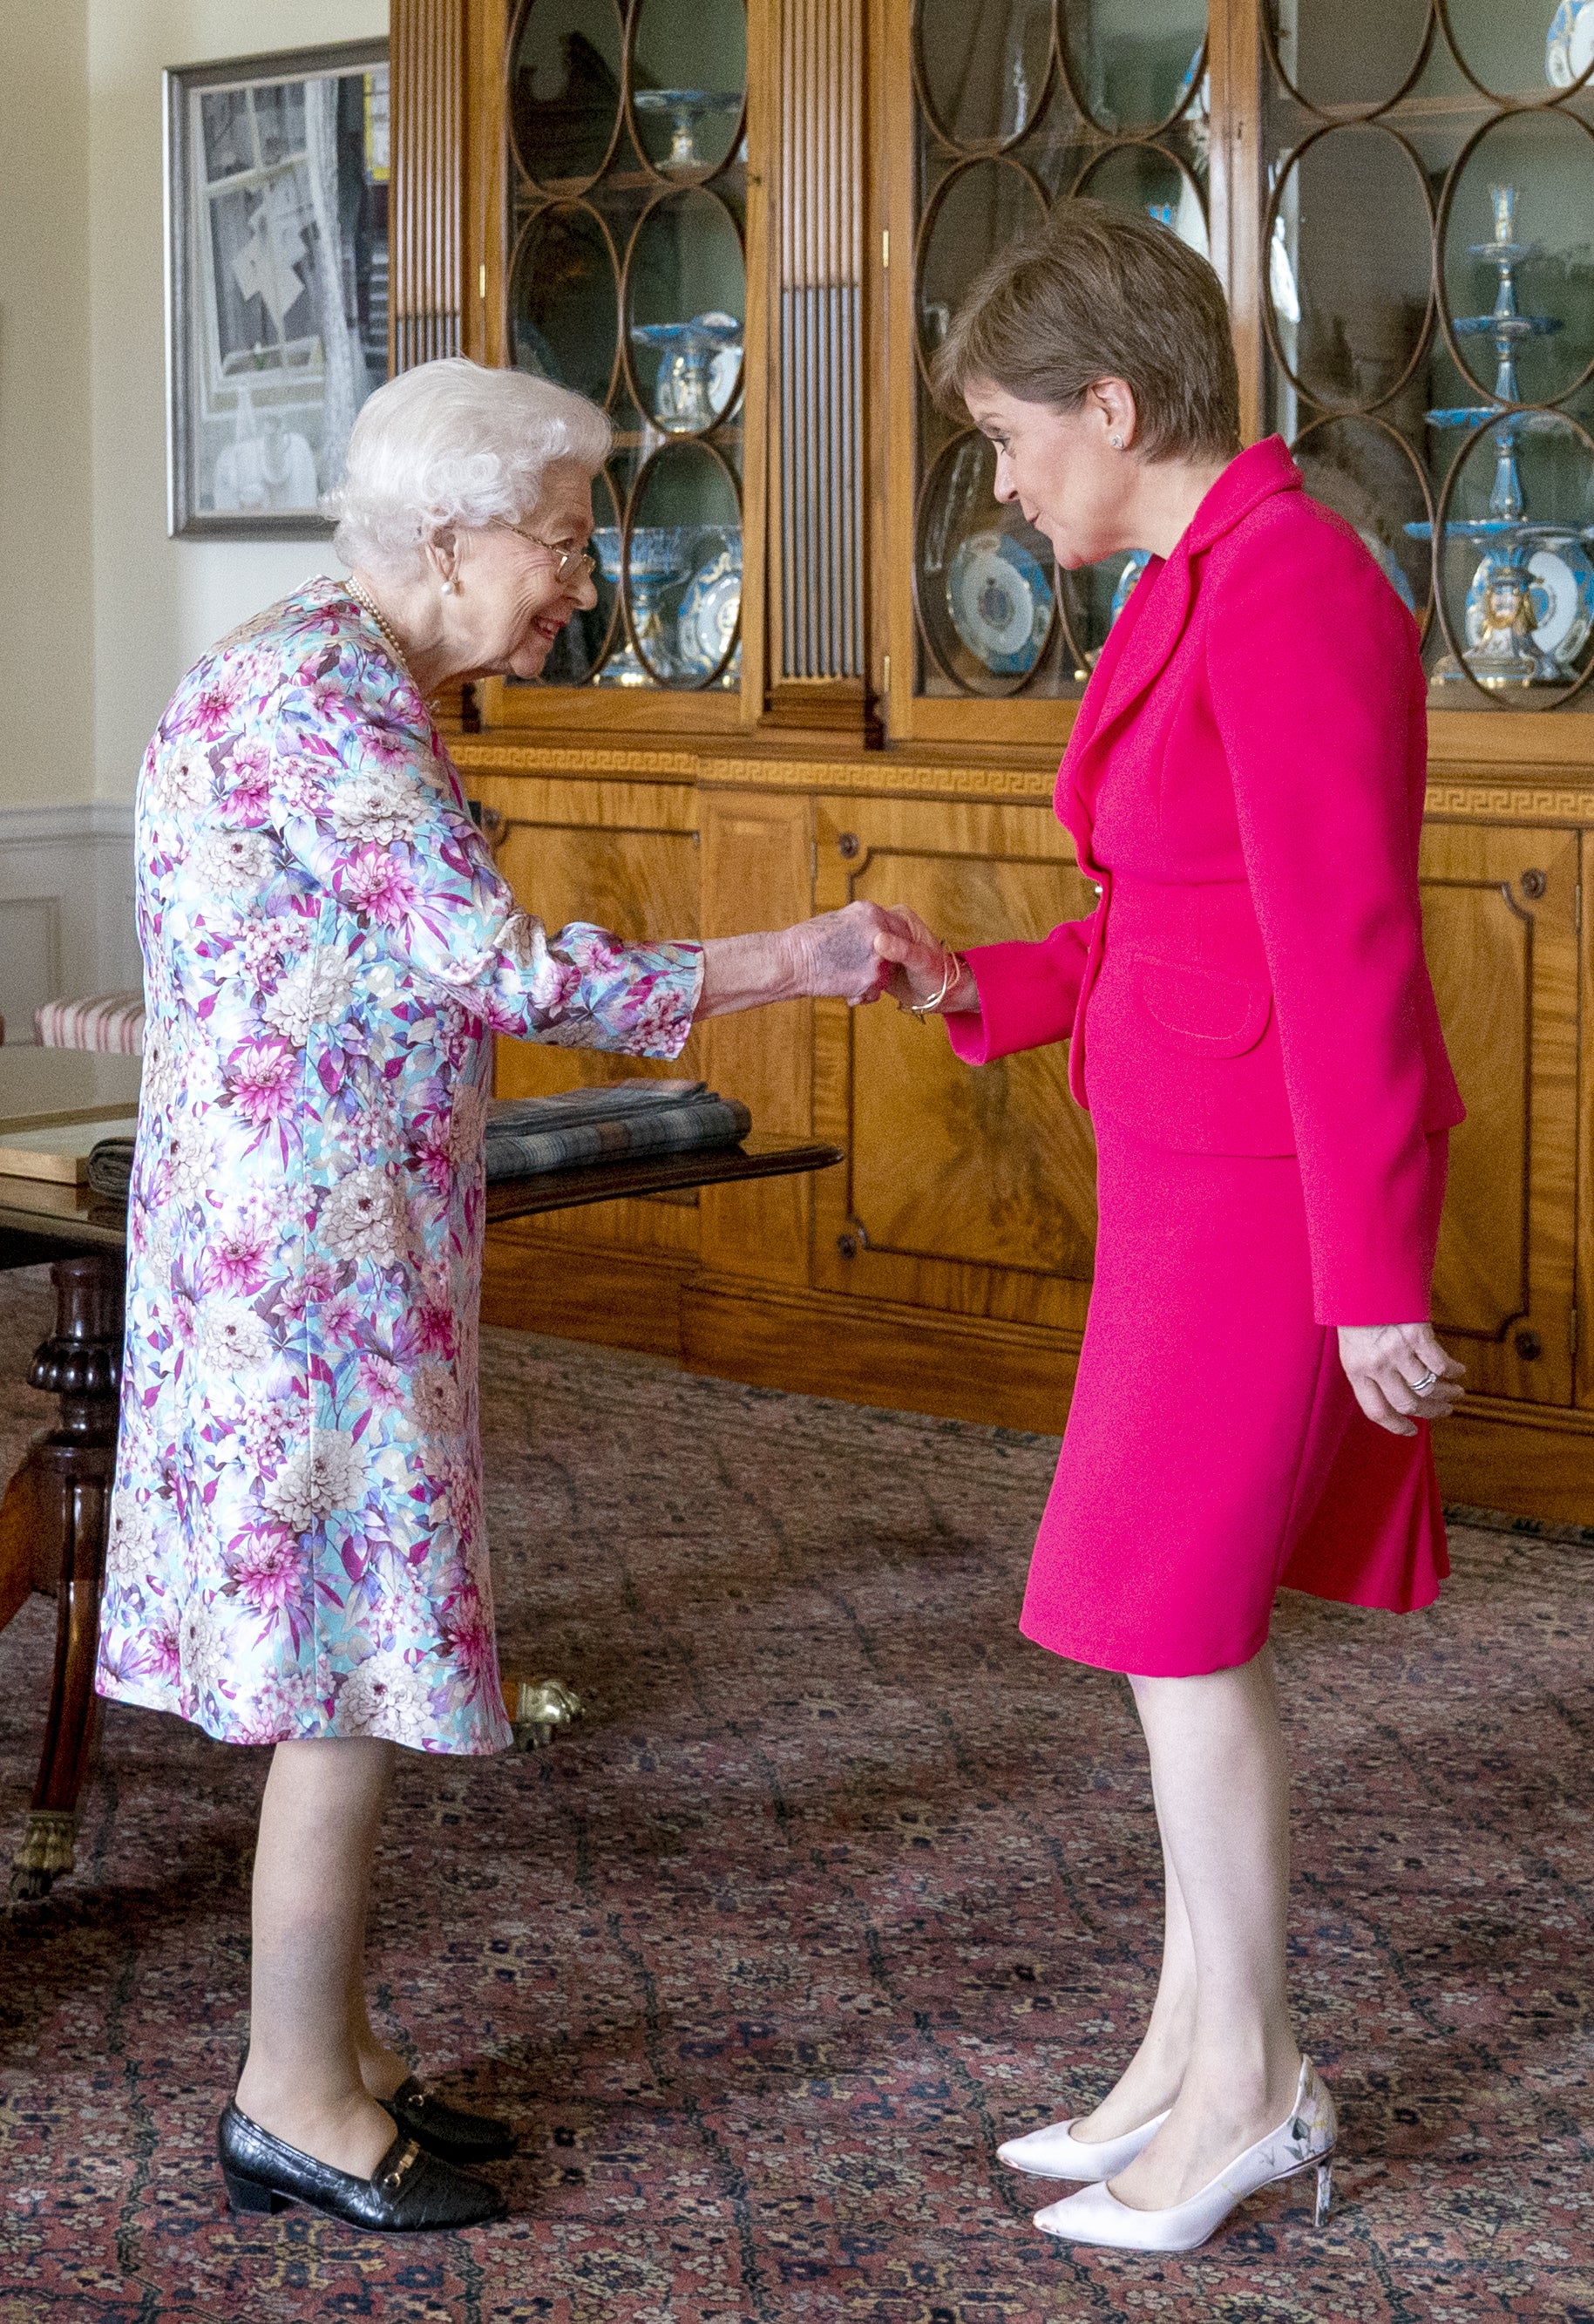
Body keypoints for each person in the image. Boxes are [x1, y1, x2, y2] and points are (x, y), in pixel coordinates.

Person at [95, 357, 898, 2233]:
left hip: (323, 1249)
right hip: (309, 1273)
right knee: (340, 1672)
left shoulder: (328, 663)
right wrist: (806, 949)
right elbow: (508, 969)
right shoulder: (324, 700)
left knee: (344, 1658)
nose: (581, 575)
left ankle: (338, 2052)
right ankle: (292, 2094)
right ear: (448, 539)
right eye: (558, 537)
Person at [872, 201, 1466, 2256]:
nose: (1010, 478)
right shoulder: (1184, 582)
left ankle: (1253, 2086)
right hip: (1188, 1179)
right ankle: (1183, 2046)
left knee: (1172, 1624)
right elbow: (1168, 911)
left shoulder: (1293, 585)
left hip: (1271, 1202)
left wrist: (1375, 1270)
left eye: (1018, 438)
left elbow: (1354, 947)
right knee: (1155, 1628)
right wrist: (986, 990)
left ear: (1116, 409)